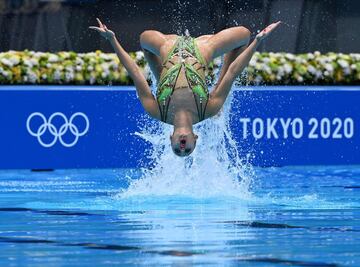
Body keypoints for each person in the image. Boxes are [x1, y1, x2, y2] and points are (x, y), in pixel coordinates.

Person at [90, 19, 281, 157]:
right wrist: (259, 41)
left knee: (144, 39)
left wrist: (112, 40)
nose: (182, 147)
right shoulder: (207, 109)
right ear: (195, 139)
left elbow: (135, 73)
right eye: (187, 149)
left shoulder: (157, 111)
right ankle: (213, 83)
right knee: (244, 34)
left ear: (171, 139)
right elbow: (232, 72)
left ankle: (162, 75)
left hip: (167, 46)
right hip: (203, 48)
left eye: (177, 149)